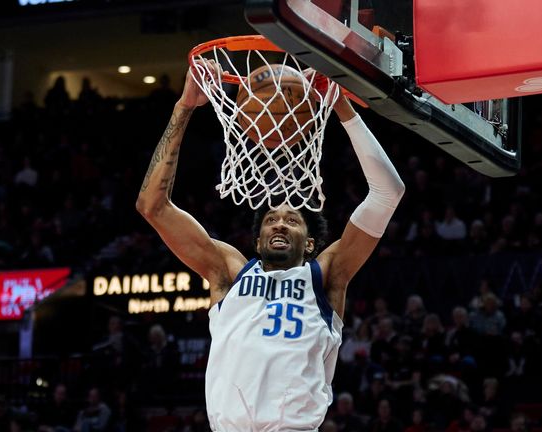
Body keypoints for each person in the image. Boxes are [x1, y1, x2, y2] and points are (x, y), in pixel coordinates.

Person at [136, 63, 405, 431]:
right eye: (271, 220)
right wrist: (183, 107)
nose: (280, 222)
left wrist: (340, 106)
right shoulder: (228, 271)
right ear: (258, 241)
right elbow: (153, 206)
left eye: (292, 219)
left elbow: (389, 193)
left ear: (309, 242)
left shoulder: (326, 276)